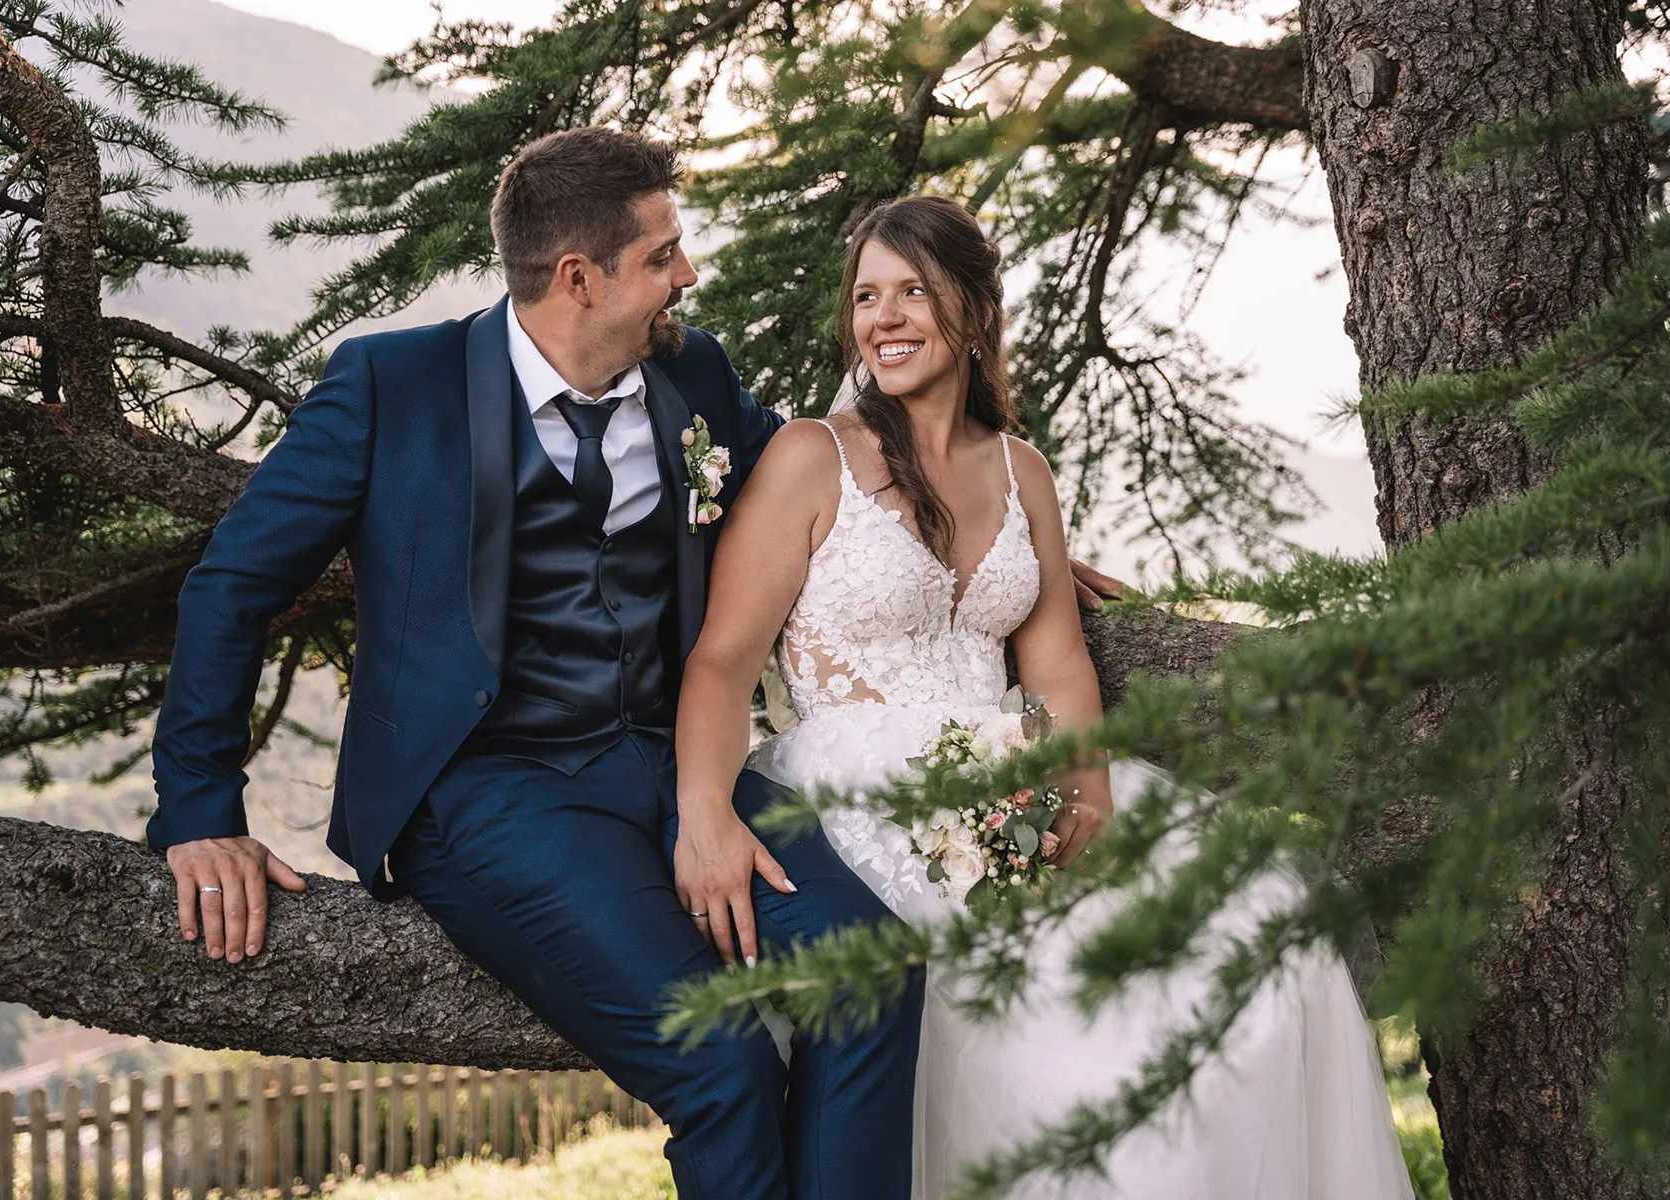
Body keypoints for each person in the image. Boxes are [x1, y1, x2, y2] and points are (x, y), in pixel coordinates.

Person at [147, 126, 956, 1200]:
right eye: (663, 254)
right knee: (721, 1062)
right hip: (486, 791)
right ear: (580, 277)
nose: (688, 273)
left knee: (873, 974)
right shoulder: (392, 385)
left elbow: (837, 481)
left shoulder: (695, 373)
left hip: (675, 766)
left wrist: (987, 525)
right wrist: (199, 810)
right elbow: (232, 585)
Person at [674, 195, 1416, 1198]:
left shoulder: (1021, 470)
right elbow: (722, 661)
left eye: (912, 293)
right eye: (866, 297)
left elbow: (1057, 663)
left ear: (975, 311)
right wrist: (706, 812)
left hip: (1013, 779)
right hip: (863, 800)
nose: (883, 319)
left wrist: (1088, 788)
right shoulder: (813, 457)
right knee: (1064, 1047)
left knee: (1264, 936)